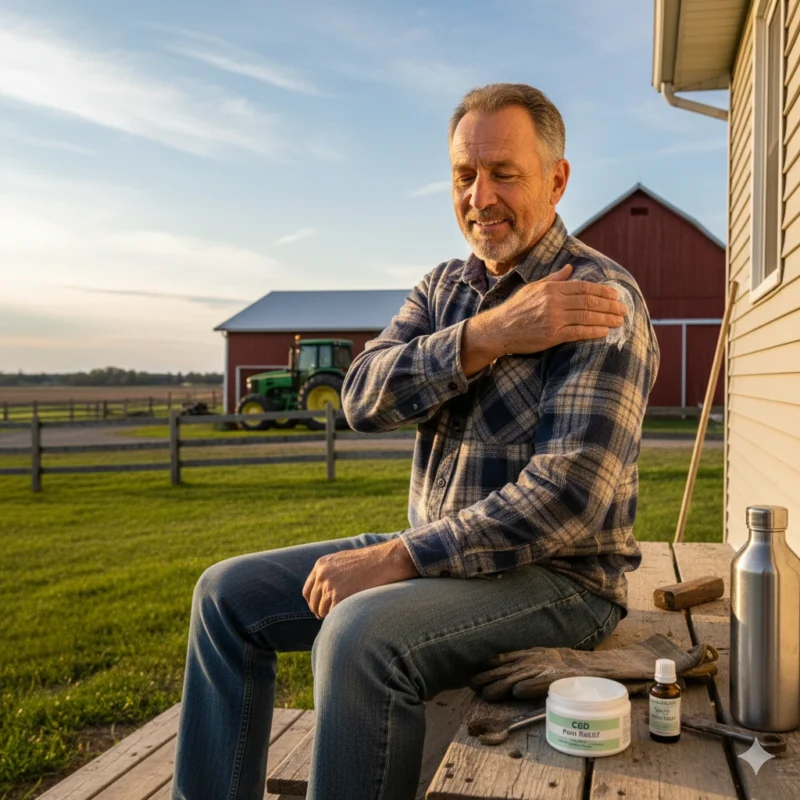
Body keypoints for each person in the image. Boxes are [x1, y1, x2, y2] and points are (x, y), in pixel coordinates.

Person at [171, 82, 660, 800]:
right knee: (224, 596)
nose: (480, 196)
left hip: (561, 580)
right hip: (439, 555)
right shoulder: (444, 290)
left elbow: (569, 500)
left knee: (358, 636)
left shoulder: (598, 298)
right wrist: (487, 336)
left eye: (504, 173)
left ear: (557, 179)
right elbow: (361, 398)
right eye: (464, 175)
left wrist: (399, 556)